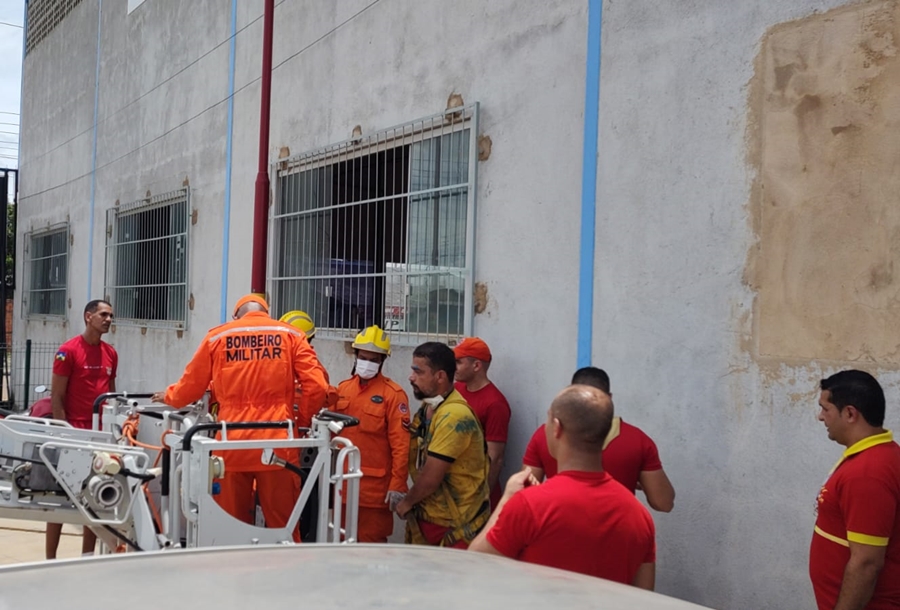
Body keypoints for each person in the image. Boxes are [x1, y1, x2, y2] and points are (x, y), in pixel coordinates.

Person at [151, 295, 330, 538]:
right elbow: (317, 386)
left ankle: (235, 572)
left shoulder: (218, 336)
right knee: (285, 528)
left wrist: (170, 396)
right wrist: (303, 422)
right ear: (267, 312)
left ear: (236, 315)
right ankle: (288, 571)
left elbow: (191, 386)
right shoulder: (291, 335)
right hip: (279, 443)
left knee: (231, 527)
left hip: (231, 443)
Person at [470, 385, 656, 589]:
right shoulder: (639, 515)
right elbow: (645, 594)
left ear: (557, 427)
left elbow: (475, 564)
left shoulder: (530, 505)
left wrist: (506, 499)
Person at [523, 367, 675, 512]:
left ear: (571, 395)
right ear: (609, 398)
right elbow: (663, 502)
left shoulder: (546, 434)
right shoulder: (637, 440)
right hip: (617, 531)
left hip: (558, 528)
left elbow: (524, 495)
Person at [809, 370, 900, 609]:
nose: (821, 417)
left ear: (850, 413)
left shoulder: (868, 473)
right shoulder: (874, 457)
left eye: (825, 409)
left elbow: (867, 563)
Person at [394, 342, 490, 548]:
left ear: (440, 376)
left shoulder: (454, 415)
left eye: (418, 372)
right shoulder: (430, 407)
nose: (411, 377)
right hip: (431, 523)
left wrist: (407, 503)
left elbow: (431, 477)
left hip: (455, 531)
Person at [46, 299, 118, 559]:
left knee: (95, 500)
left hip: (100, 436)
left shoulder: (111, 353)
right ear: (88, 317)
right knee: (62, 500)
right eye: (103, 314)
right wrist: (62, 432)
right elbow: (57, 396)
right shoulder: (68, 351)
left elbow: (110, 394)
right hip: (74, 433)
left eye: (111, 315)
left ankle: (87, 558)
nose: (109, 319)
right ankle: (50, 560)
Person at [333, 325, 409, 542]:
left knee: (370, 548)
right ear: (356, 356)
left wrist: (398, 484)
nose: (368, 363)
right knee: (341, 545)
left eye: (374, 359)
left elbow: (401, 445)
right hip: (343, 486)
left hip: (374, 493)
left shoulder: (393, 395)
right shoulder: (343, 389)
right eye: (364, 357)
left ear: (382, 361)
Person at [453, 337, 511, 509]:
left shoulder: (495, 404)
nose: (452, 366)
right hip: (453, 490)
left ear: (476, 366)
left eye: (458, 362)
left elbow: (495, 458)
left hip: (474, 496)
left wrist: (481, 500)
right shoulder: (456, 389)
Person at [279, 310, 330, 429]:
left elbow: (316, 392)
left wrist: (302, 425)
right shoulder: (315, 370)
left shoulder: (315, 370)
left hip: (296, 433)